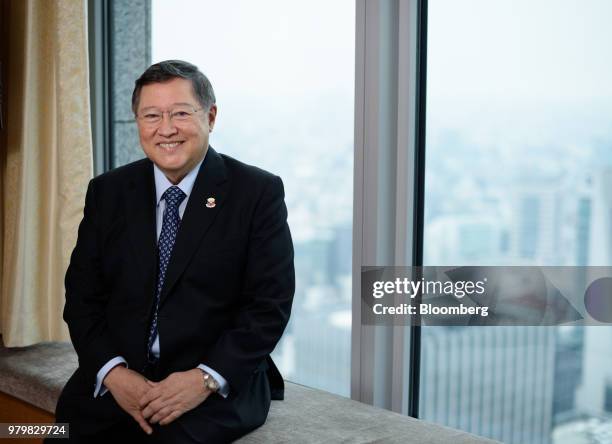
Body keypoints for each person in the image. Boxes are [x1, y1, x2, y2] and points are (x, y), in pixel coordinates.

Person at [46, 60, 295, 443]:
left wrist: (205, 378)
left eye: (181, 113)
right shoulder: (108, 192)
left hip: (209, 386)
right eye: (151, 115)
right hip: (120, 377)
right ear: (138, 122)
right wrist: (113, 372)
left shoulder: (256, 193)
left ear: (210, 117)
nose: (166, 129)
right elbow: (82, 297)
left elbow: (268, 305)